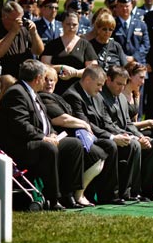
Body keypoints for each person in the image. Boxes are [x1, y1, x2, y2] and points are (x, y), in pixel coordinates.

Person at [0, 59, 85, 210]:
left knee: (73, 145)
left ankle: (68, 194)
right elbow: (20, 125)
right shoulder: (16, 93)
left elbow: (45, 121)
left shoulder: (33, 93)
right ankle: (53, 199)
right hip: (20, 146)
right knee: (48, 148)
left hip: (36, 140)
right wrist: (44, 137)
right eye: (44, 78)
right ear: (37, 79)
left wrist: (53, 134)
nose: (46, 81)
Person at [62, 65, 140, 204]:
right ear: (87, 80)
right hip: (83, 138)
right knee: (110, 145)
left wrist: (123, 134)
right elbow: (85, 124)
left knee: (130, 143)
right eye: (98, 84)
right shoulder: (73, 95)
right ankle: (109, 195)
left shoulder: (96, 95)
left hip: (97, 135)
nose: (100, 89)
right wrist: (112, 137)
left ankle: (125, 192)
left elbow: (105, 122)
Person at [39, 66, 106, 207]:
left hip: (66, 137)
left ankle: (78, 194)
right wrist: (85, 125)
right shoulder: (43, 97)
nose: (49, 83)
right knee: (92, 152)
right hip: (56, 139)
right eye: (45, 80)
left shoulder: (56, 97)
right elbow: (61, 119)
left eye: (52, 80)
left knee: (100, 154)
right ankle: (73, 195)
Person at [100, 66, 153, 201]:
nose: (121, 87)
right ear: (108, 80)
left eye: (123, 84)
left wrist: (141, 136)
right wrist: (134, 137)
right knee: (135, 145)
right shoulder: (101, 97)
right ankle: (131, 191)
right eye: (118, 84)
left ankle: (148, 189)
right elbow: (108, 124)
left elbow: (128, 123)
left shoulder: (121, 98)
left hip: (126, 134)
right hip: (112, 136)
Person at [41, 12, 98, 94]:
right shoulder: (53, 44)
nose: (71, 27)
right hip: (55, 90)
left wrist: (75, 73)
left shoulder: (86, 45)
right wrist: (60, 68)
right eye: (68, 24)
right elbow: (44, 66)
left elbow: (93, 69)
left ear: (78, 25)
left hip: (78, 91)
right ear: (62, 24)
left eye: (74, 24)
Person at [0, 1, 44, 77]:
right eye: (16, 19)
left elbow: (38, 51)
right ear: (4, 17)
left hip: (26, 78)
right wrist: (13, 32)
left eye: (21, 18)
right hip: (5, 78)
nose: (20, 22)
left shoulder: (24, 29)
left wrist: (34, 33)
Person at [112, 0, 150, 66]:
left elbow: (146, 45)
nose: (124, 9)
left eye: (127, 6)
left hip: (138, 65)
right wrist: (124, 57)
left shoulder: (141, 25)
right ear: (116, 7)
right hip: (119, 65)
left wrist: (134, 57)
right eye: (121, 6)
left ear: (131, 6)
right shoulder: (113, 25)